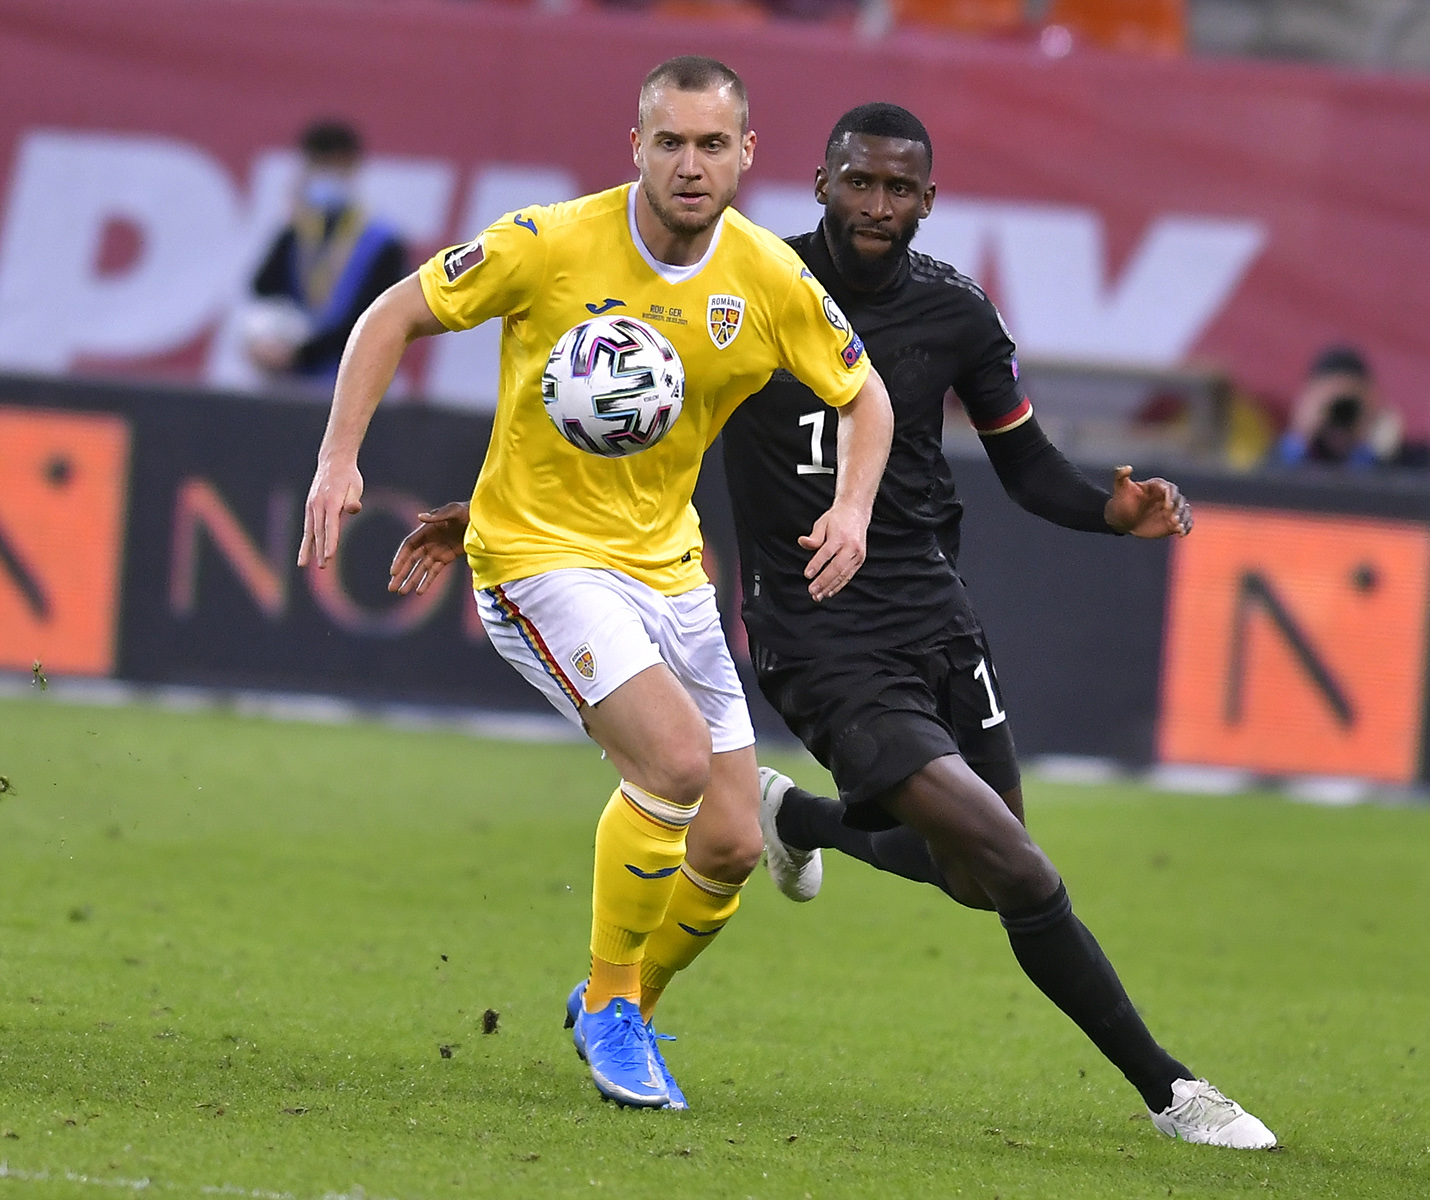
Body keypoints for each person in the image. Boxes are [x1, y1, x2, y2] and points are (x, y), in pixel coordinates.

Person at [390, 102, 1277, 1150]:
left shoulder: (957, 313)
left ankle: (799, 820)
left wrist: (1108, 512)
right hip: (818, 634)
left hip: (936, 615)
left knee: (975, 874)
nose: (876, 205)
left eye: (899, 189)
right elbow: (627, 421)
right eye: (859, 182)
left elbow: (1026, 466)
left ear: (928, 202)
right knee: (1023, 871)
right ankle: (1172, 1092)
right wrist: (488, 511)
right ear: (821, 183)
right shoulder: (747, 283)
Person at [300, 57, 895, 1111]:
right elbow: (391, 313)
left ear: (746, 155)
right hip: (536, 560)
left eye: (712, 145)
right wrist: (339, 459)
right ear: (636, 148)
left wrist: (851, 509)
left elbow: (867, 397)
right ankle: (617, 1009)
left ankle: (621, 1007)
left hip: (667, 569)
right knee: (672, 761)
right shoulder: (548, 242)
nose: (690, 165)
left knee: (728, 843)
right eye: (670, 142)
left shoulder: (766, 279)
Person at [246, 121, 408, 385]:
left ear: (353, 167)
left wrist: (301, 354)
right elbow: (263, 292)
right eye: (318, 165)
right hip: (291, 381)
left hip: (354, 381)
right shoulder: (296, 232)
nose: (325, 175)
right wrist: (262, 340)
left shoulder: (382, 242)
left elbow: (378, 318)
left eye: (335, 166)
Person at [1273, 344, 1430, 472]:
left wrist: (1380, 446)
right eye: (1333, 405)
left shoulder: (1411, 459)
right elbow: (1266, 489)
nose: (1342, 413)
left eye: (1349, 405)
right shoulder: (1286, 457)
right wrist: (1299, 437)